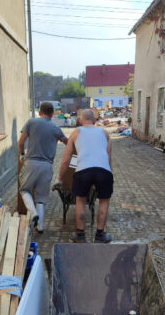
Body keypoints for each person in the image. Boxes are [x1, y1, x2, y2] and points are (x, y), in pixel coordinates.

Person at [55, 109, 114, 243]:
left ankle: (80, 235)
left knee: (80, 201)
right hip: (103, 171)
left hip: (83, 170)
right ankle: (100, 235)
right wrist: (110, 175)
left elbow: (66, 160)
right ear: (95, 120)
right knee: (104, 201)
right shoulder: (105, 133)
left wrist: (59, 178)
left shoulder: (76, 133)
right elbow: (109, 159)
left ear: (81, 121)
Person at [18, 102, 67, 233]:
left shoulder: (31, 122)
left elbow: (21, 141)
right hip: (47, 166)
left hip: (31, 163)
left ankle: (33, 213)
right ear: (52, 114)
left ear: (40, 112)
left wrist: (22, 154)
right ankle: (40, 227)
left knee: (24, 190)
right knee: (41, 199)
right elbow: (68, 143)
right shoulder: (56, 128)